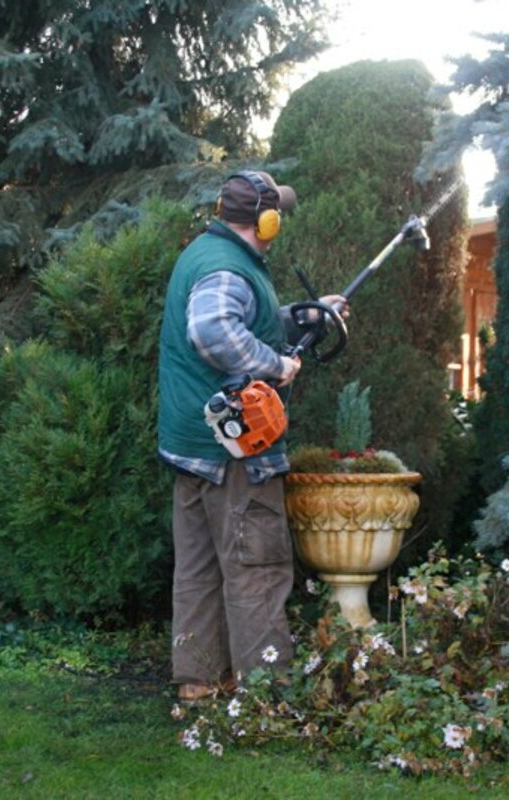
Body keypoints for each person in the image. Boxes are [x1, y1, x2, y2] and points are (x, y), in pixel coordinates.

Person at [157, 169, 345, 702]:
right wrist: (277, 365)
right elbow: (212, 331)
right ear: (265, 222)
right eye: (275, 212)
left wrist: (306, 315)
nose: (279, 221)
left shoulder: (207, 254)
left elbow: (240, 319)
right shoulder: (227, 267)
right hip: (236, 450)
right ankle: (264, 695)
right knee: (256, 567)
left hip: (193, 445)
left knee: (198, 569)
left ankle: (200, 682)